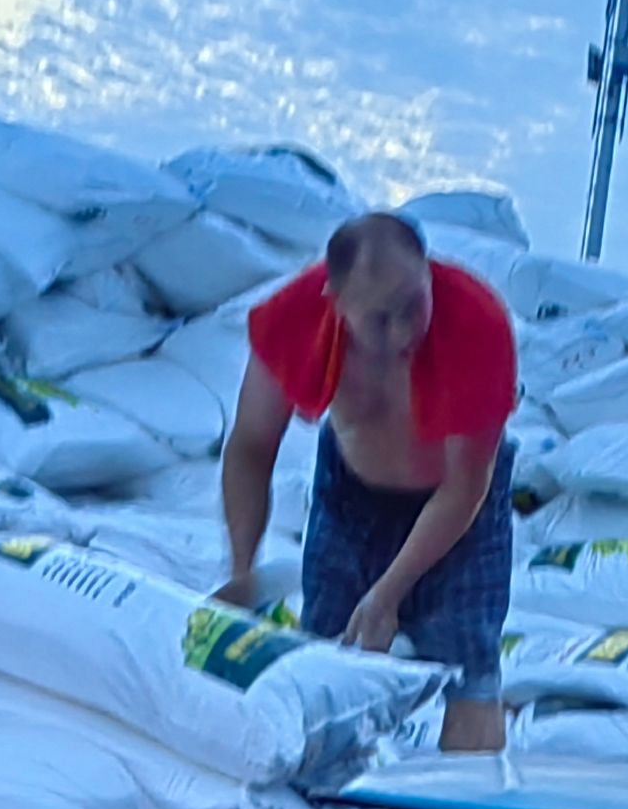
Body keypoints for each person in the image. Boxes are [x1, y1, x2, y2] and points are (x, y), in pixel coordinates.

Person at [219, 210, 517, 751]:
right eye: (381, 319)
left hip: (458, 509)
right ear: (335, 301)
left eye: (413, 306)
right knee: (325, 666)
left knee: (470, 669)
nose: (403, 332)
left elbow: (466, 487)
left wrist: (389, 592)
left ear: (429, 273)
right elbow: (250, 447)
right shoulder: (297, 319)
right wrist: (242, 568)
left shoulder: (477, 321)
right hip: (351, 497)